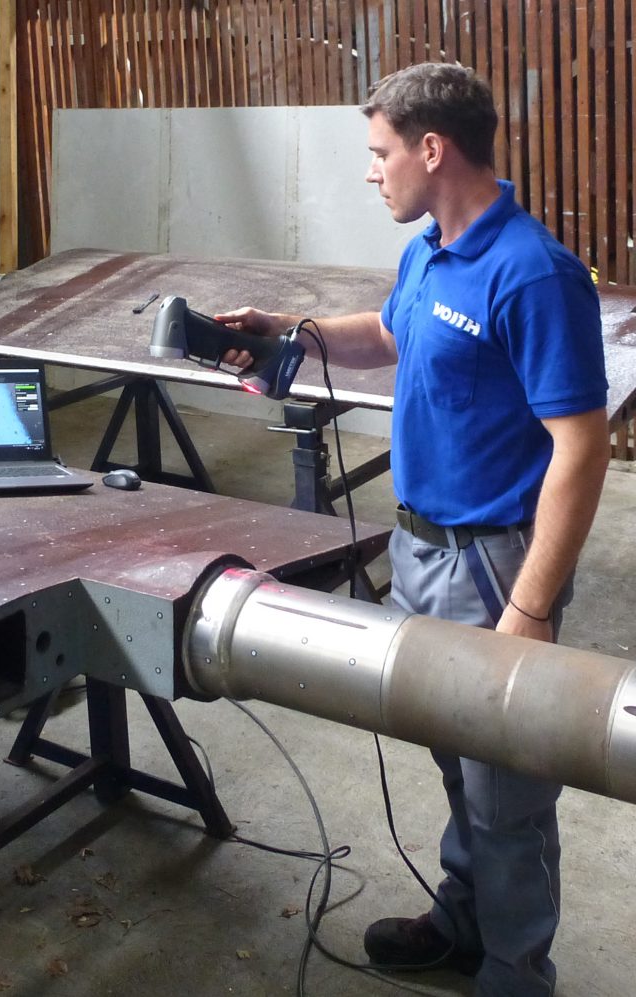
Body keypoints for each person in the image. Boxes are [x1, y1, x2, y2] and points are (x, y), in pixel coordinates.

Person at [215, 62, 610, 997]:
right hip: (420, 547)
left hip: (494, 565)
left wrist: (529, 607)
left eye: (379, 151)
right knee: (453, 758)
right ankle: (464, 922)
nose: (371, 171)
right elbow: (393, 334)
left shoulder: (534, 274)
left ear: (432, 149)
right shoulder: (431, 249)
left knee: (508, 792)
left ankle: (517, 973)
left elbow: (582, 446)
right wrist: (291, 332)